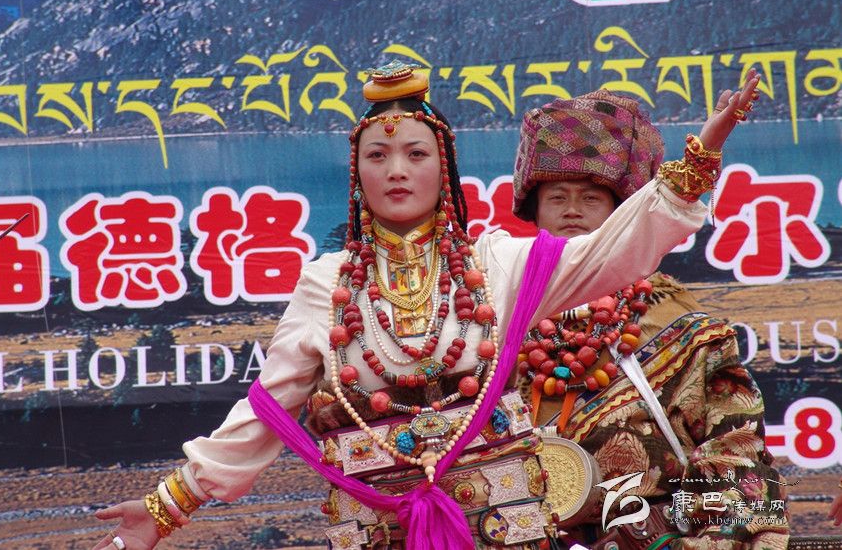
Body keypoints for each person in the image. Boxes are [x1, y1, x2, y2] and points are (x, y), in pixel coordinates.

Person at [92, 61, 759, 550]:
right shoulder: (327, 283)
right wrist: (166, 506)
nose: (396, 169)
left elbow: (611, 251)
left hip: (503, 527)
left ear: (445, 168)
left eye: (415, 153)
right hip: (378, 529)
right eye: (378, 155)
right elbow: (265, 411)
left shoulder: (496, 264)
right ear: (358, 174)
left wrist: (700, 156)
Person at [512, 90, 789, 549]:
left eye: (591, 198)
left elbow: (742, 472)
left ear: (625, 214)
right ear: (535, 212)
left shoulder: (682, 329)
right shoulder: (501, 318)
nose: (572, 210)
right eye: (556, 197)